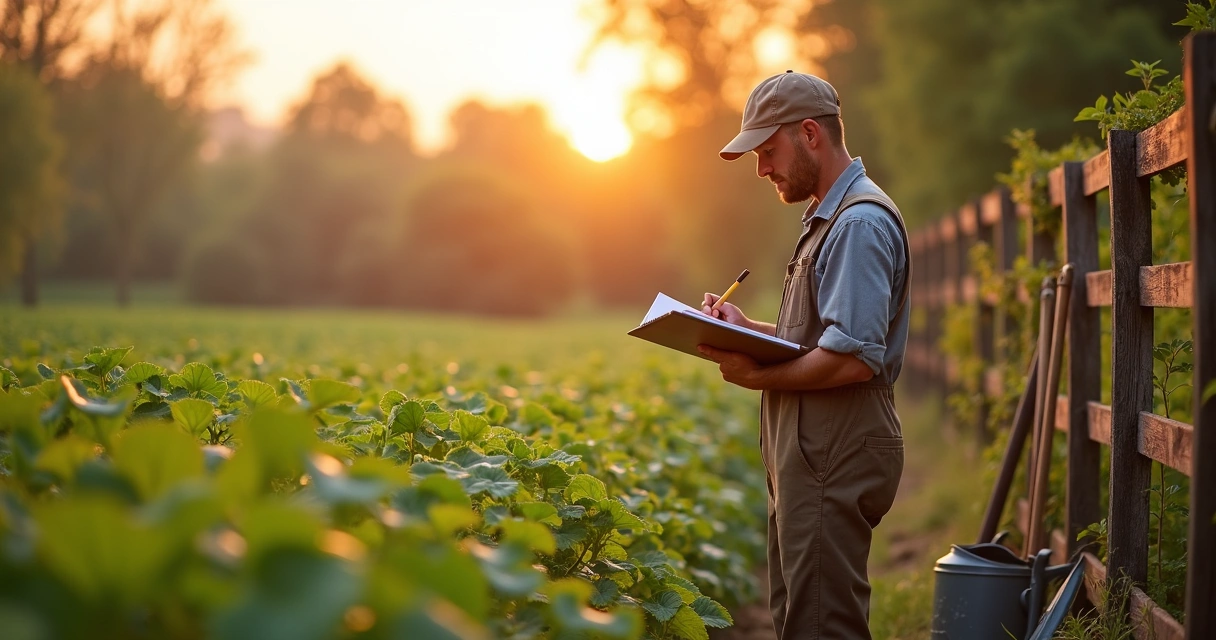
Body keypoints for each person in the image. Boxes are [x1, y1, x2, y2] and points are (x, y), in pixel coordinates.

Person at [696, 70, 910, 640]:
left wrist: (756, 375)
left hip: (833, 448)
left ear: (810, 133)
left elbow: (852, 359)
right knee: (799, 616)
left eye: (768, 152)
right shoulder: (828, 218)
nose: (763, 169)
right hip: (815, 447)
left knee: (822, 626)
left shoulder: (858, 224)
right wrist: (751, 330)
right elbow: (827, 338)